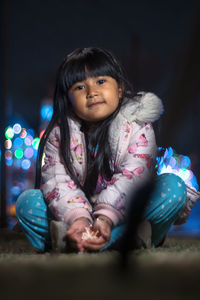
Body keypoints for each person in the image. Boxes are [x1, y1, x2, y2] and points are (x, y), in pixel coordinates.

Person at [16, 47, 187, 253]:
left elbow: (134, 177)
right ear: (67, 98)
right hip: (76, 214)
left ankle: (73, 242)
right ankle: (128, 238)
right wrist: (78, 220)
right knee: (27, 203)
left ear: (120, 89)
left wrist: (105, 219)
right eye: (79, 87)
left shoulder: (138, 124)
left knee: (173, 188)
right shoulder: (59, 134)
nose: (92, 92)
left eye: (100, 82)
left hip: (123, 212)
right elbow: (57, 182)